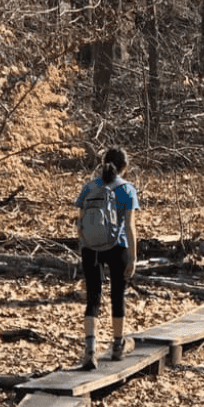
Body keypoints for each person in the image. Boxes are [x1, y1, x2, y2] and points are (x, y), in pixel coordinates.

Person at [75, 147, 139, 369]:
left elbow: (80, 223)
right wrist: (133, 257)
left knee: (93, 297)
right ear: (125, 167)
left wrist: (87, 245)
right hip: (117, 246)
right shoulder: (127, 190)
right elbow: (130, 227)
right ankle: (118, 346)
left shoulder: (89, 187)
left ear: (103, 164)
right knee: (117, 296)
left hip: (91, 248)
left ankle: (90, 351)